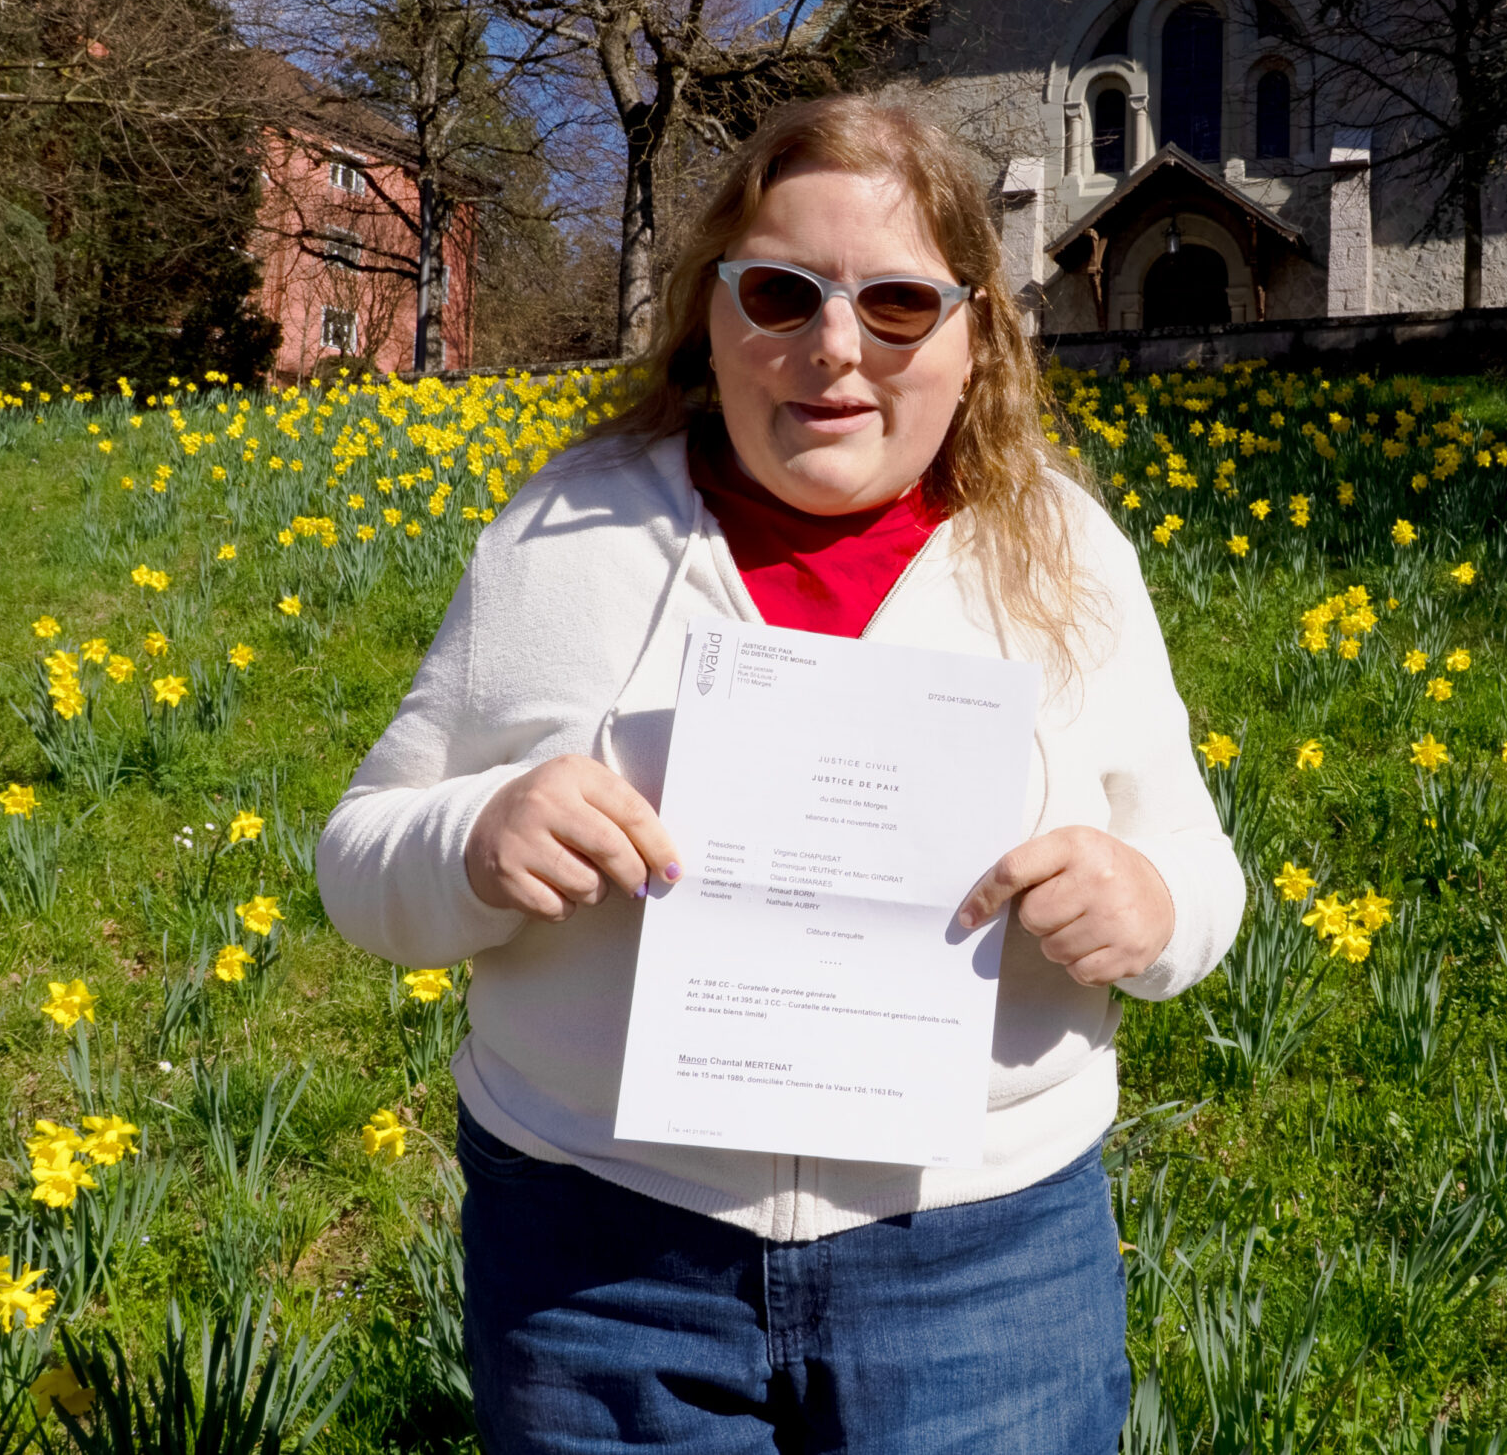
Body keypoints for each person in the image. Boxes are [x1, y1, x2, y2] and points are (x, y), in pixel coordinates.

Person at [318, 94, 1244, 1453]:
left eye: (897, 305)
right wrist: (474, 840)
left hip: (983, 1260)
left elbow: (1200, 881)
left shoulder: (1068, 556)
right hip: (603, 1254)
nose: (834, 349)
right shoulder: (565, 534)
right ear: (712, 311)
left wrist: (1147, 910)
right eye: (781, 292)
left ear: (975, 329)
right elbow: (357, 860)